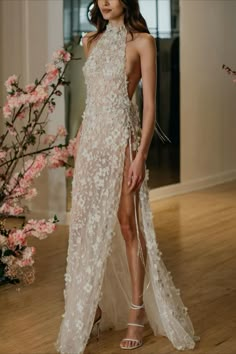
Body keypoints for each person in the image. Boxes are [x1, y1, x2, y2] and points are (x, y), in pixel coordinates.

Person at [55, 1, 200, 353]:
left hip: (122, 140)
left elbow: (149, 105)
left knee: (127, 224)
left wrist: (140, 156)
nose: (104, 1)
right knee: (88, 224)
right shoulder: (89, 41)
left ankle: (137, 312)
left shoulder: (142, 42)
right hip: (92, 142)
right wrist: (78, 143)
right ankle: (93, 307)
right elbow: (91, 103)